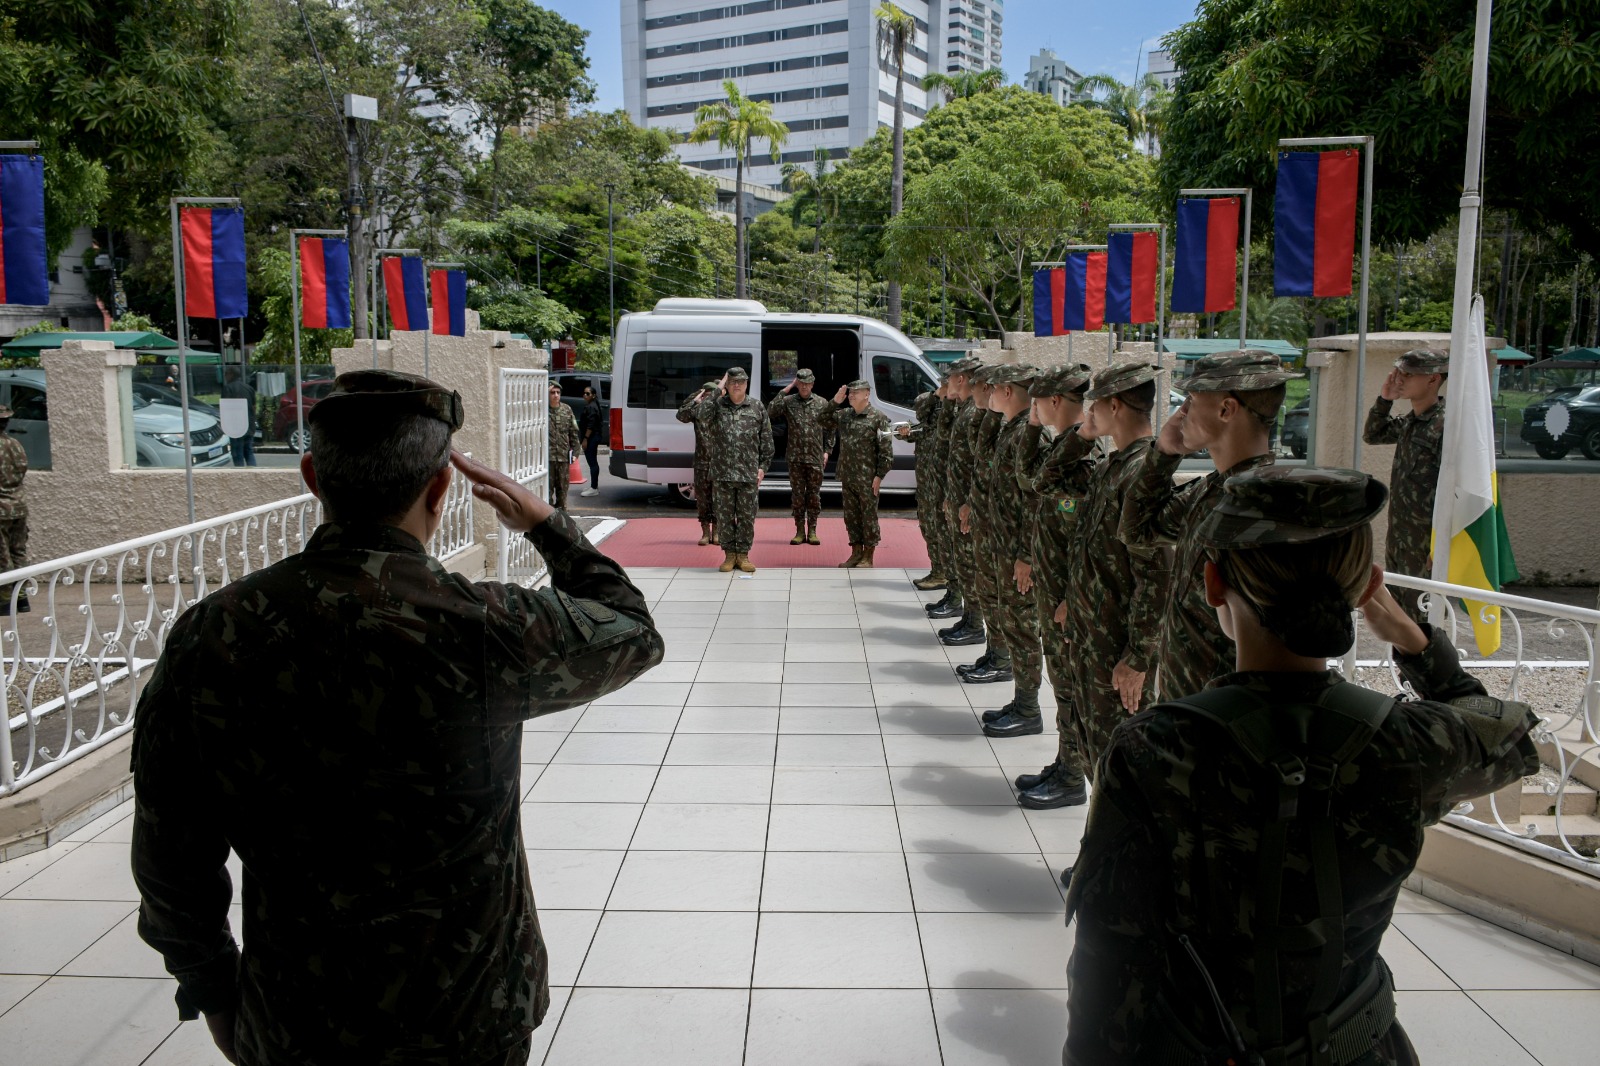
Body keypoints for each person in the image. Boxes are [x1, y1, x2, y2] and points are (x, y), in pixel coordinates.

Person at [131, 369, 665, 1066]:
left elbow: (171, 857)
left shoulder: (214, 633)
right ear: (442, 489)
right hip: (470, 1016)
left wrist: (219, 996)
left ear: (312, 477)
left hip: (299, 1015)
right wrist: (544, 524)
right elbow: (631, 629)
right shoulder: (485, 627)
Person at [1064, 465, 1540, 1066]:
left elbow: (1111, 961)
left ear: (1213, 583)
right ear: (1366, 587)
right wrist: (1414, 642)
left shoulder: (1157, 748)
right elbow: (1513, 732)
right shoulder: (1408, 742)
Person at [1121, 350, 1298, 700]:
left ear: (1225, 410)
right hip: (1188, 706)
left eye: (1191, 400)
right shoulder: (1213, 489)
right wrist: (1163, 455)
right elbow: (1136, 530)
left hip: (1226, 715)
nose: (1180, 413)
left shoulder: (1266, 505)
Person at [1053, 362, 1171, 781]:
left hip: (1117, 646)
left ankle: (1122, 845)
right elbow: (1048, 480)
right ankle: (1101, 841)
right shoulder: (1110, 466)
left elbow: (1156, 575)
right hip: (1091, 635)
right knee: (1095, 757)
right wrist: (1072, 598)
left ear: (1115, 406)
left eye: (1094, 406)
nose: (1089, 414)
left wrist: (1138, 656)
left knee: (1121, 764)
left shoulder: (1143, 474)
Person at [1007, 364, 1096, 804]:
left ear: (1055, 402)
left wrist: (1070, 600)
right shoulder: (1062, 447)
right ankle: (1066, 765)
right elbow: (1028, 478)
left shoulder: (1082, 459)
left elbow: (1088, 544)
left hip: (1068, 598)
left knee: (1071, 689)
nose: (1033, 410)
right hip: (1055, 589)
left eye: (1038, 403)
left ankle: (1072, 776)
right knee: (1063, 689)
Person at [975, 363, 1049, 734]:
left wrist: (1025, 556)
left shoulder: (1028, 437)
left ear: (1007, 392)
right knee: (1011, 622)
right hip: (1002, 548)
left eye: (995, 389)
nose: (988, 394)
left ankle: (1028, 709)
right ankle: (1022, 701)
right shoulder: (1013, 430)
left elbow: (1035, 502)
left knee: (1021, 629)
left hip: (1017, 554)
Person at [1363, 348, 1449, 623]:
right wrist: (1385, 400)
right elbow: (1373, 434)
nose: (1399, 379)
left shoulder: (1445, 425)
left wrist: (1440, 545)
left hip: (1425, 544)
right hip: (1401, 537)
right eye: (1398, 372)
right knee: (1399, 617)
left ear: (1433, 379)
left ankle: (1428, 666)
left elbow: (1453, 490)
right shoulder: (1411, 422)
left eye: (1408, 374)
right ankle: (1406, 667)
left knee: (1423, 619)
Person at [684, 366, 773, 573]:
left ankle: (743, 555)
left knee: (746, 516)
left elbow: (766, 441)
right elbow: (700, 414)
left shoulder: (757, 407)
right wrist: (718, 388)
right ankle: (729, 555)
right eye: (732, 382)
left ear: (746, 384)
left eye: (740, 382)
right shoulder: (716, 406)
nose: (736, 385)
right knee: (724, 517)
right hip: (722, 473)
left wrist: (763, 468)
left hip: (747, 474)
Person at [820, 379, 894, 567]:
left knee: (868, 516)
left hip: (867, 478)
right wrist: (835, 401)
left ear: (867, 394)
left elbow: (885, 451)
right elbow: (821, 419)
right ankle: (856, 552)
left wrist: (879, 476)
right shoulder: (845, 415)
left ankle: (868, 556)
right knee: (851, 516)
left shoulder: (878, 418)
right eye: (850, 392)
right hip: (848, 475)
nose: (851, 395)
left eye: (855, 392)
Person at [769, 368, 833, 545]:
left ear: (812, 384)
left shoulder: (822, 403)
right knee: (797, 496)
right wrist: (786, 389)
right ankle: (799, 530)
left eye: (807, 383)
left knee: (813, 495)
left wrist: (827, 450)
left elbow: (830, 428)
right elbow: (771, 411)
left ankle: (812, 530)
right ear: (797, 384)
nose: (804, 387)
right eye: (801, 383)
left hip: (815, 456)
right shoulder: (789, 401)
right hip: (796, 457)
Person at [902, 375, 948, 590]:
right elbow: (920, 412)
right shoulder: (929, 405)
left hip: (944, 484)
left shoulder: (958, 409)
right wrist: (937, 395)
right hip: (926, 482)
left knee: (942, 529)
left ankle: (946, 574)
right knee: (928, 526)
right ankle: (937, 570)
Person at [676, 381, 720, 546]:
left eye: (711, 395)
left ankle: (716, 532)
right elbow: (681, 415)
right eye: (706, 395)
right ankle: (704, 532)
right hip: (702, 462)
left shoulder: (721, 410)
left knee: (717, 498)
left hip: (719, 463)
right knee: (702, 499)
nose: (708, 398)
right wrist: (697, 396)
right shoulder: (697, 411)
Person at [0, 404, 30, 614]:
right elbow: (22, 471)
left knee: (2, 556)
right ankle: (22, 597)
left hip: (1, 510)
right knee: (18, 551)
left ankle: (4, 601)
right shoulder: (15, 444)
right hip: (18, 505)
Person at [545, 382, 580, 510]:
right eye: (552, 392)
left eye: (558, 393)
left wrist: (576, 453)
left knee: (562, 492)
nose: (555, 395)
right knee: (547, 493)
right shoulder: (543, 410)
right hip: (548, 459)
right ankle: (549, 519)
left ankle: (562, 519)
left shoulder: (567, 409)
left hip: (563, 458)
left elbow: (573, 432)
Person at [222, 368, 258, 467]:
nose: (225, 376)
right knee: (249, 452)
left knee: (237, 453)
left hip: (235, 427)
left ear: (231, 374)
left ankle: (240, 476)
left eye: (226, 373)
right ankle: (254, 474)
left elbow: (226, 409)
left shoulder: (228, 388)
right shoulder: (249, 388)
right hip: (249, 425)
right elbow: (254, 408)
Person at [578, 385, 603, 498]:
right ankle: (594, 486)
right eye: (584, 393)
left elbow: (591, 425)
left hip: (592, 437)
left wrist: (585, 439)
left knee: (592, 462)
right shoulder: (591, 405)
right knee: (592, 462)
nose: (585, 395)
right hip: (592, 437)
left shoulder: (592, 407)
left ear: (593, 395)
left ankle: (594, 488)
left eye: (588, 393)